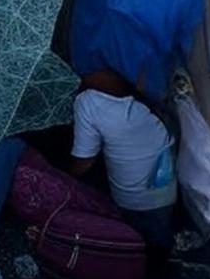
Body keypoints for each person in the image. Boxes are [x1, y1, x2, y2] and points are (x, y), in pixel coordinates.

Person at [70, 67, 177, 254]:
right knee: (159, 239)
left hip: (132, 200)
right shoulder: (149, 88)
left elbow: (83, 162)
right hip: (166, 186)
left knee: (135, 245)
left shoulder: (88, 102)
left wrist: (62, 174)